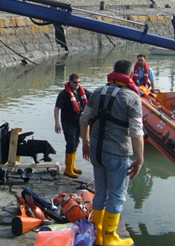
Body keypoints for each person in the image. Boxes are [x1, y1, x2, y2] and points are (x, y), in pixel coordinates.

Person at [80, 59, 144, 246]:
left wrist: (85, 142)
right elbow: (136, 131)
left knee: (100, 193)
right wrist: (139, 159)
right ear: (130, 75)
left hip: (96, 151)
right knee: (116, 195)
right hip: (117, 153)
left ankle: (98, 236)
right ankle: (109, 237)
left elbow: (84, 119)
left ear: (114, 72)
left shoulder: (98, 92)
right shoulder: (132, 98)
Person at [54, 73, 91, 178]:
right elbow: (57, 108)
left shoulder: (81, 91)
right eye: (75, 82)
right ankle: (68, 169)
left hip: (78, 122)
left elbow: (93, 97)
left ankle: (73, 166)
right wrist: (57, 123)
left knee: (76, 142)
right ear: (70, 82)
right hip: (68, 122)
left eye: (79, 82)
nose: (77, 84)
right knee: (71, 143)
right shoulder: (63, 94)